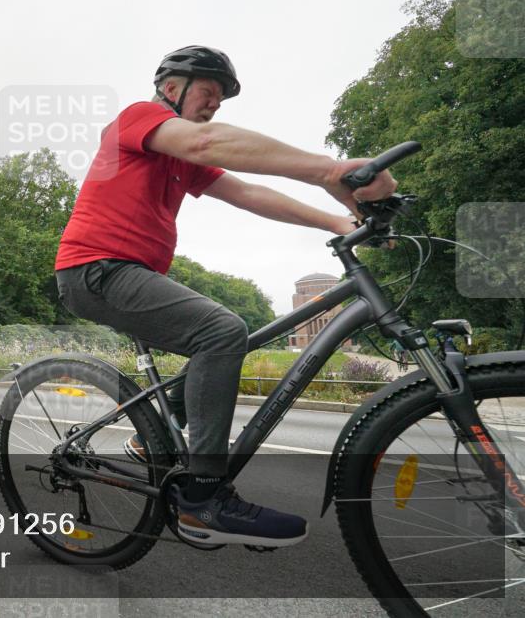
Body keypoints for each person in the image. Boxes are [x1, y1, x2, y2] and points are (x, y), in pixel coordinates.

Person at [54, 45, 396, 548]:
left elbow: (250, 194)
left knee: (233, 335)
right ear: (172, 89)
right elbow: (206, 142)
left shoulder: (181, 159)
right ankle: (203, 499)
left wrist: (339, 222)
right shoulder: (138, 118)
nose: (214, 105)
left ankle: (155, 440)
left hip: (130, 273)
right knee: (221, 330)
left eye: (219, 99)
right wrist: (327, 170)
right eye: (208, 93)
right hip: (95, 269)